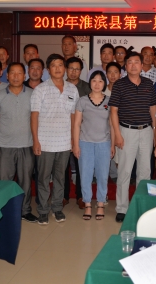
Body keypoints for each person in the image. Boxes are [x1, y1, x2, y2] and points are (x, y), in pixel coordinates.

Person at [109, 51, 156, 223]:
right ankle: (122, 208)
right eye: (129, 62)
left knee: (145, 172)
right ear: (126, 66)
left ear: (142, 65)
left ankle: (141, 207)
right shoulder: (119, 85)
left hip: (146, 131)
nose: (133, 65)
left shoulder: (148, 83)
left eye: (136, 62)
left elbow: (153, 108)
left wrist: (155, 132)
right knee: (124, 171)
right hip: (126, 131)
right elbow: (113, 111)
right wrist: (117, 134)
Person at [31, 54, 79, 225]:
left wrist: (73, 140)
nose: (57, 68)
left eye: (60, 65)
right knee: (43, 178)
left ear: (64, 68)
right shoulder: (40, 89)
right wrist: (36, 140)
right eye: (53, 65)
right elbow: (34, 116)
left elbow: (73, 117)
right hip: (45, 142)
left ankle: (57, 208)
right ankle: (43, 210)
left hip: (64, 142)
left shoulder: (72, 89)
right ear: (48, 69)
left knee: (60, 178)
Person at [0, 62, 37, 223]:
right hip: (5, 146)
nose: (16, 76)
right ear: (7, 75)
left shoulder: (32, 94)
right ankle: (4, 211)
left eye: (19, 73)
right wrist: (4, 133)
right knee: (4, 181)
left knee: (26, 180)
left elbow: (36, 118)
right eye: (12, 73)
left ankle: (25, 210)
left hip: (27, 144)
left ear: (24, 76)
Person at [72, 70, 114, 220]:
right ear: (90, 82)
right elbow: (77, 124)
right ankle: (88, 204)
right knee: (85, 175)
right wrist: (75, 145)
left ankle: (101, 203)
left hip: (104, 143)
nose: (97, 84)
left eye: (100, 81)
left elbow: (112, 124)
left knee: (103, 175)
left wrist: (112, 145)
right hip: (85, 143)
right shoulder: (82, 101)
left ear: (104, 84)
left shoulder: (110, 101)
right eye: (94, 80)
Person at [65, 56, 90, 209]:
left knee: (82, 166)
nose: (73, 72)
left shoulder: (87, 88)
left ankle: (81, 196)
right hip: (62, 131)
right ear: (66, 70)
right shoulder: (61, 86)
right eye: (71, 68)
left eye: (77, 69)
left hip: (82, 132)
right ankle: (64, 196)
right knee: (63, 166)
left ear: (81, 71)